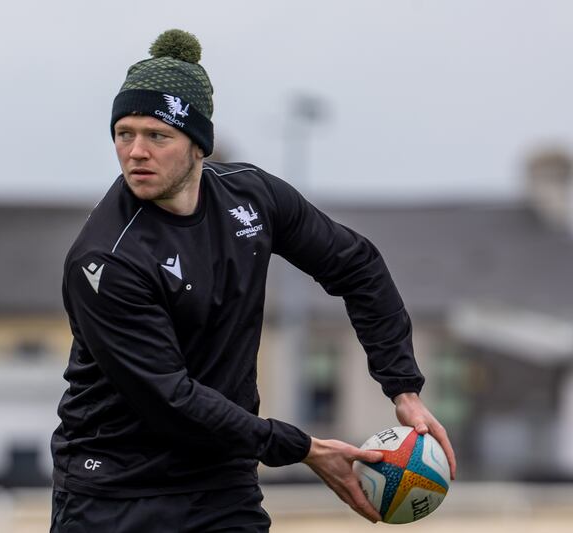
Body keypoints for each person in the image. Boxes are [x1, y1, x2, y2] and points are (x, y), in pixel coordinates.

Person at [50, 29, 457, 532]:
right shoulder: (105, 260)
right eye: (124, 133)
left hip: (221, 484)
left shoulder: (252, 198)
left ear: (199, 144)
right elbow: (172, 400)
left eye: (157, 135)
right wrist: (303, 447)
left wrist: (403, 388)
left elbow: (358, 266)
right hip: (116, 494)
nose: (135, 151)